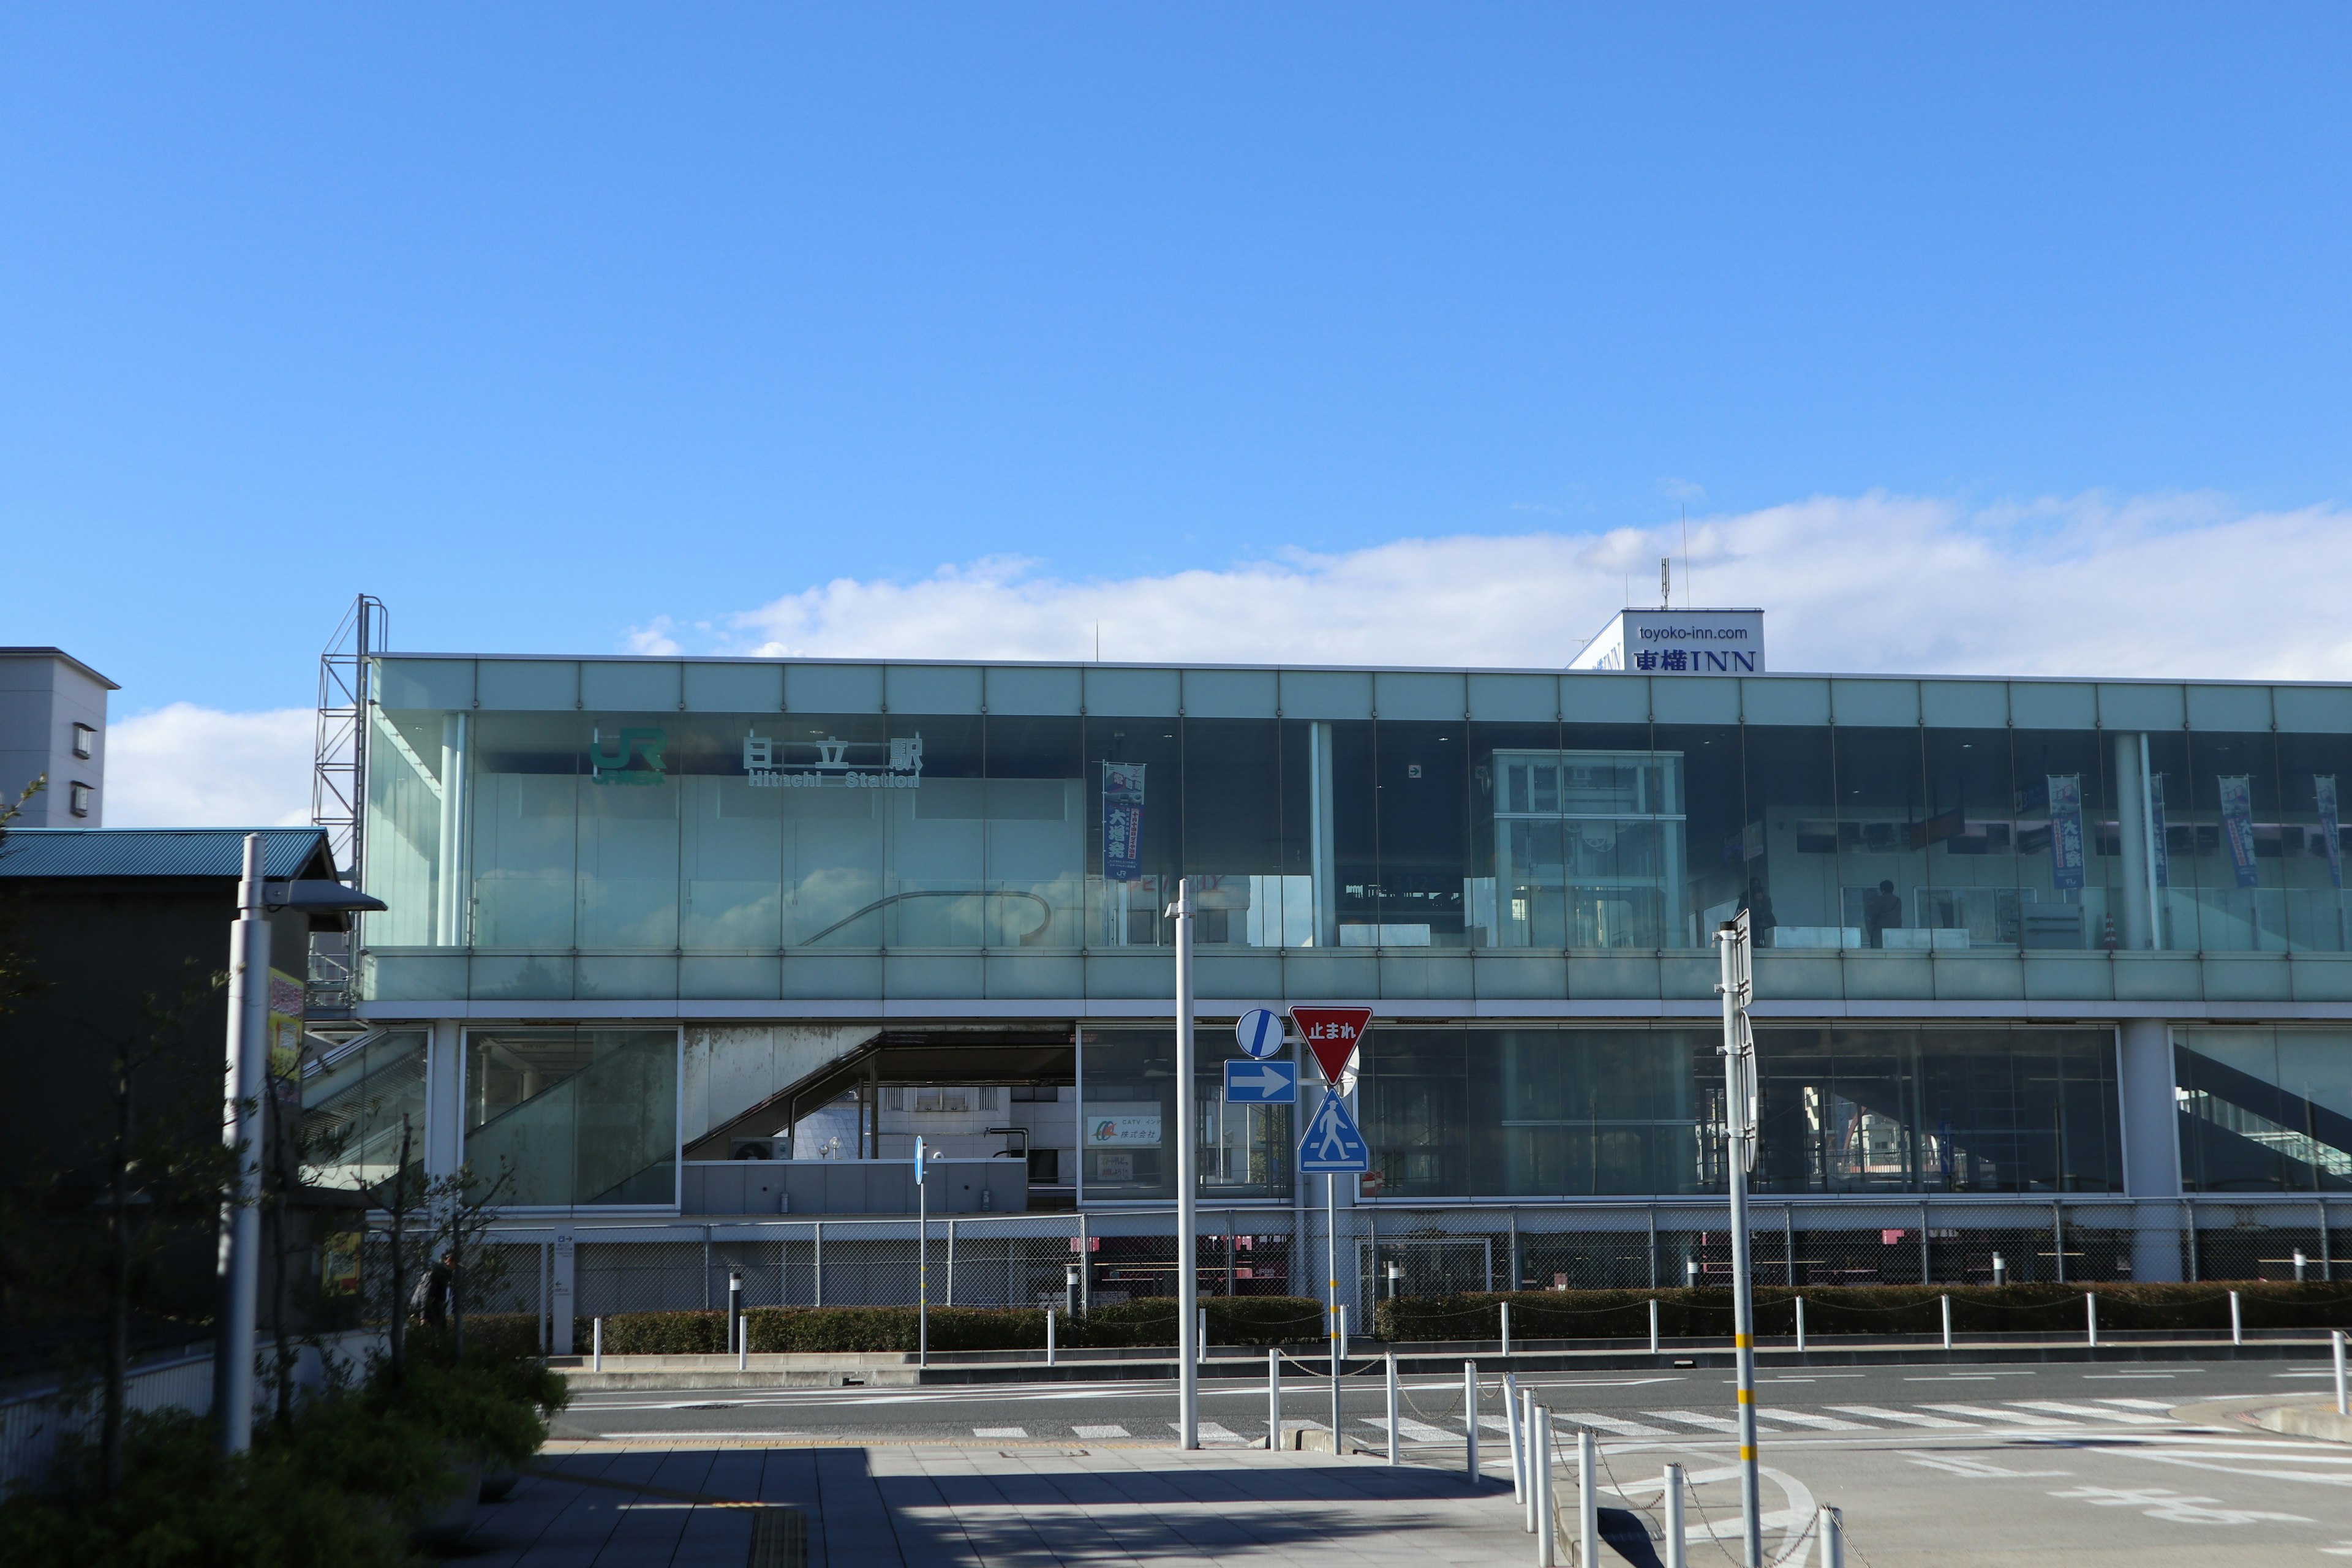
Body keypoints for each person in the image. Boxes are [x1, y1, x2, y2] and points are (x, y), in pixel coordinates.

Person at [410, 1250, 454, 1327]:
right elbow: (426, 1294)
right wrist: (423, 1317)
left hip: (435, 1314)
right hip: (426, 1314)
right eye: (456, 1264)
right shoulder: (434, 1273)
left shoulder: (445, 1276)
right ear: (449, 1261)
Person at [1864, 880, 1904, 948]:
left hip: (1881, 930)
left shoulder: (1880, 900)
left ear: (1883, 889)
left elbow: (1875, 914)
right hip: (1896, 930)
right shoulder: (1898, 900)